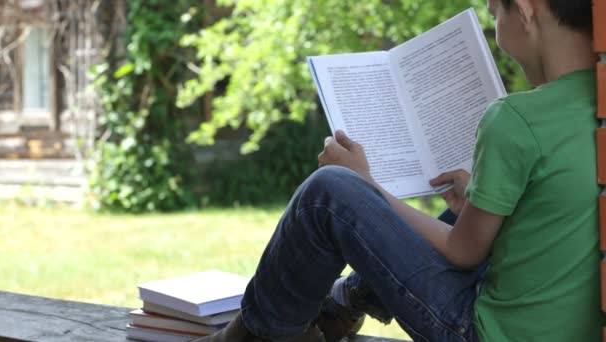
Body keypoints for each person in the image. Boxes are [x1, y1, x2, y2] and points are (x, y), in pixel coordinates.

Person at [196, 0, 601, 340]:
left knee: (330, 192)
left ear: (527, 11)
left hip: (478, 332)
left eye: (496, 12)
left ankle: (260, 334)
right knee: (470, 213)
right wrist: (478, 200)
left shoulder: (517, 120)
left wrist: (366, 184)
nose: (496, 24)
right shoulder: (593, 112)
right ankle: (343, 302)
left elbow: (464, 252)